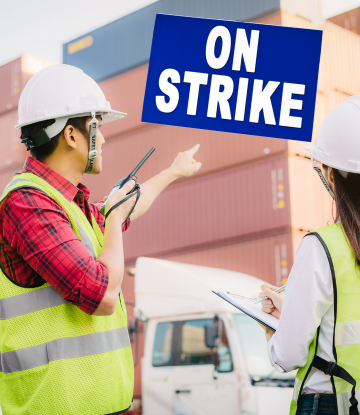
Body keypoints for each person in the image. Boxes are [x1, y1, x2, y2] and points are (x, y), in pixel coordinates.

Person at [0, 64, 201, 415]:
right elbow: (102, 294)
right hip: (53, 407)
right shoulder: (26, 203)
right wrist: (114, 217)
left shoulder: (69, 205)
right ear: (72, 135)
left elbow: (123, 210)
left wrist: (172, 171)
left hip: (100, 404)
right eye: (98, 127)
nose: (105, 138)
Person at [257, 95, 360, 415]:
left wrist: (276, 329)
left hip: (330, 404)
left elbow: (289, 356)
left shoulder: (322, 247)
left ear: (332, 176)